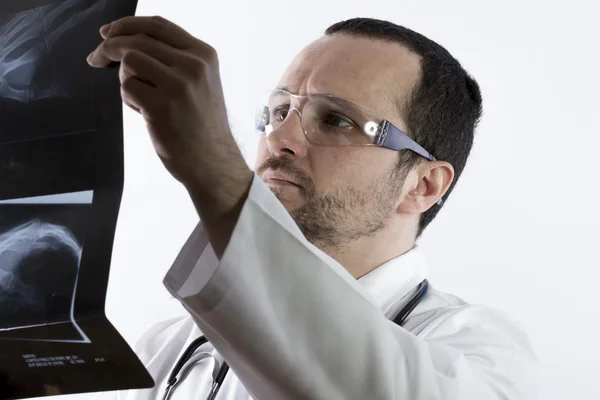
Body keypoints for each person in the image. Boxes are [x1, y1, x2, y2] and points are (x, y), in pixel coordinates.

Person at [87, 15, 538, 400]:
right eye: (279, 111)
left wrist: (218, 174)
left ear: (422, 184)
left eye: (336, 120)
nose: (279, 140)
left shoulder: (482, 356)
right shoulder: (164, 351)